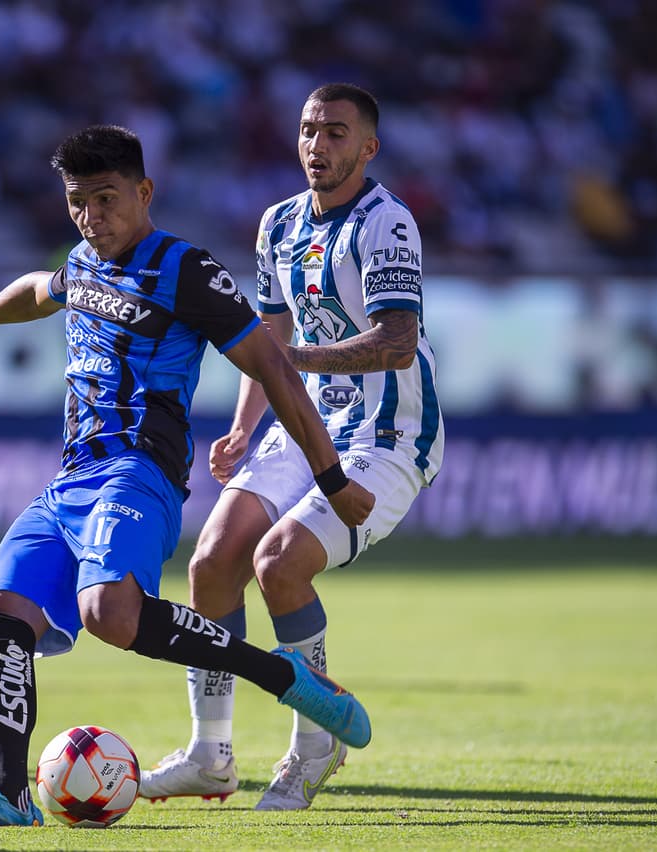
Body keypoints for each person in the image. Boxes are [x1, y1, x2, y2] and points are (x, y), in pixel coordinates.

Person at [0, 124, 376, 829]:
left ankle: (283, 677)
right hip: (71, 479)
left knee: (109, 614)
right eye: (78, 203)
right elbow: (40, 290)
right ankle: (8, 796)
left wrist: (331, 477)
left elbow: (274, 367)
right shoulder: (82, 260)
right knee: (2, 614)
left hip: (140, 473)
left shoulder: (187, 269)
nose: (92, 218)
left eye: (106, 200)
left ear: (144, 191)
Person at [138, 82, 445, 811]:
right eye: (310, 130)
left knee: (278, 563)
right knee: (212, 562)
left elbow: (397, 343)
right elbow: (266, 340)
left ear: (368, 147)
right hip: (299, 424)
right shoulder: (277, 223)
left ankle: (314, 746)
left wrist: (291, 366)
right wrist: (246, 424)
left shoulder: (387, 222)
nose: (319, 145)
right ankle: (210, 756)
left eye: (337, 133)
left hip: (388, 433)